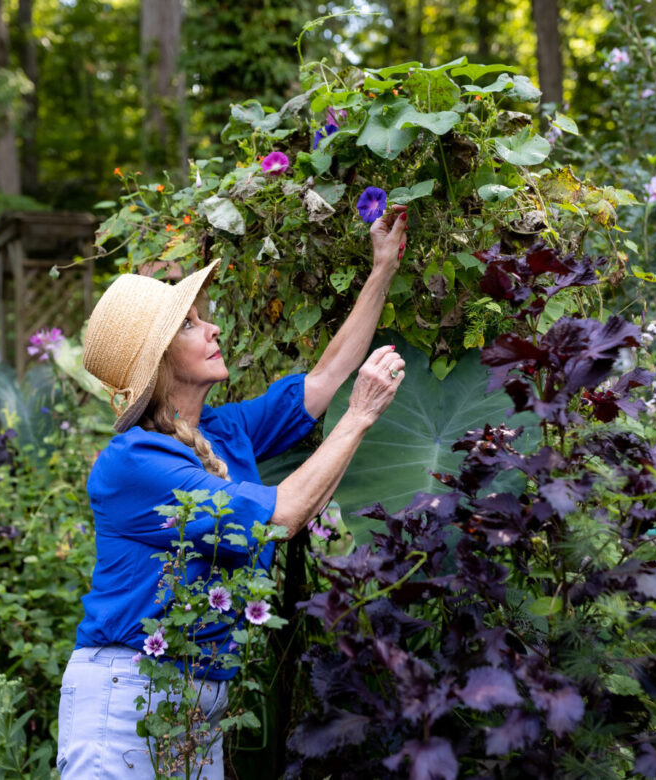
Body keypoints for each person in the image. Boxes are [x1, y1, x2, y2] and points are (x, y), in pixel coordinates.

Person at [57, 205, 409, 778]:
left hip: (198, 699)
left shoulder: (223, 432)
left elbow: (325, 380)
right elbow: (283, 514)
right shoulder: (135, 463)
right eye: (190, 325)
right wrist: (361, 414)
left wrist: (382, 269)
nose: (213, 328)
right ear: (159, 361)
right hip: (128, 696)